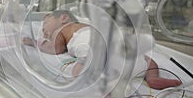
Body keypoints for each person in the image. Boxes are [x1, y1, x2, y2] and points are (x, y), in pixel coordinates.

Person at [23, 10, 182, 89]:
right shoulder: (87, 26)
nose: (44, 32)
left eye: (45, 25)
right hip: (114, 44)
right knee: (146, 60)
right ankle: (152, 77)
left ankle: (109, 88)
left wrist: (35, 42)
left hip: (92, 47)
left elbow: (55, 49)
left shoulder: (66, 30)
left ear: (64, 18)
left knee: (82, 69)